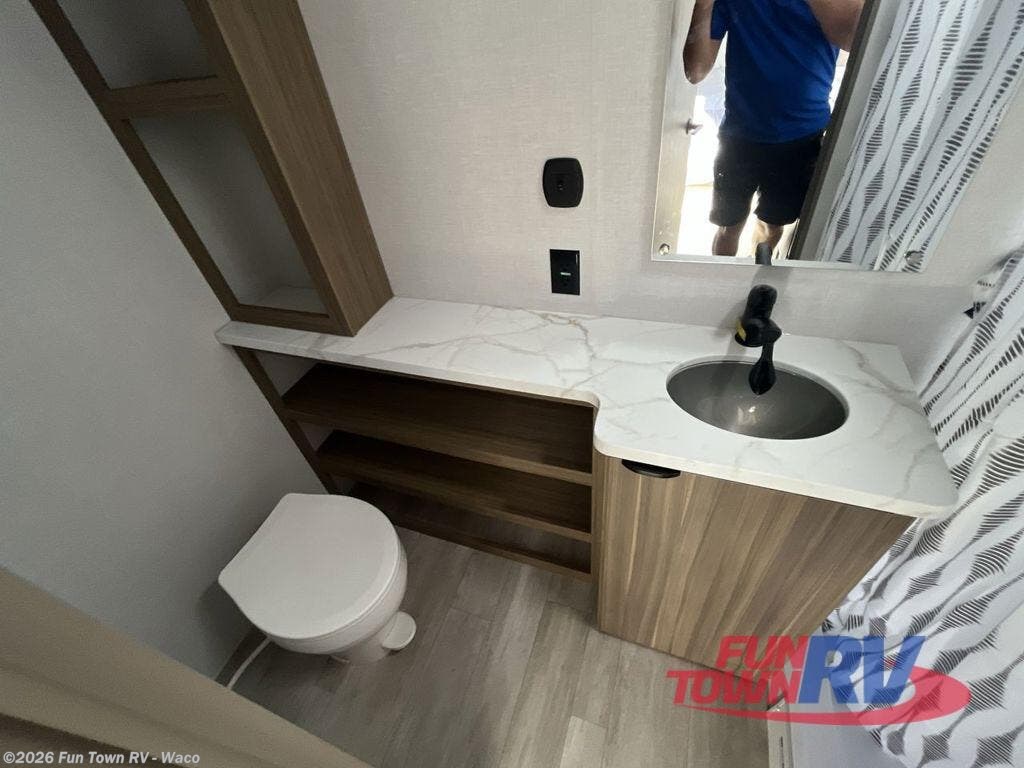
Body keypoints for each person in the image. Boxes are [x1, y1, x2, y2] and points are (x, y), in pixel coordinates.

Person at [684, 0, 864, 257]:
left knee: (773, 225)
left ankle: (757, 268)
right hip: (739, 136)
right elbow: (696, 71)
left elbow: (862, 41)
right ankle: (723, 275)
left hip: (802, 139)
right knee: (728, 225)